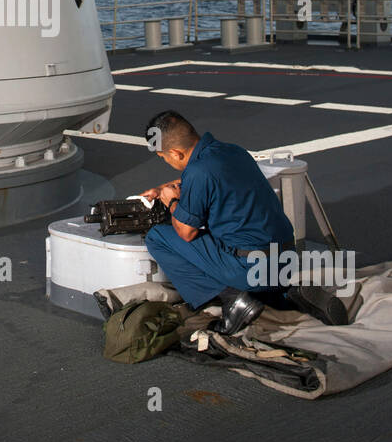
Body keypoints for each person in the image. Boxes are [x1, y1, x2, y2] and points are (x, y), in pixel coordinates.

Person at [139, 109, 347, 328]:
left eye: (164, 158)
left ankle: (232, 299)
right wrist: (165, 188)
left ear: (176, 153)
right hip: (285, 259)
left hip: (249, 268)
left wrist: (171, 202)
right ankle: (285, 297)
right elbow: (204, 179)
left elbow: (185, 231)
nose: (166, 163)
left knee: (158, 236)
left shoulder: (199, 173)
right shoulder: (233, 152)